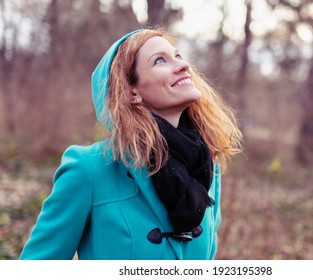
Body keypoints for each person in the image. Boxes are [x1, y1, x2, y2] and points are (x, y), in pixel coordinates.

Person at [20, 28, 242, 260]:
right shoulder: (89, 169)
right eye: (159, 60)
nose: (183, 65)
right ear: (132, 91)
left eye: (178, 56)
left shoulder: (207, 166)